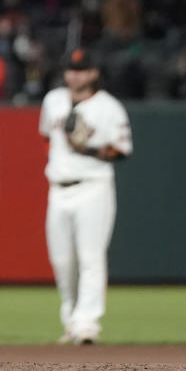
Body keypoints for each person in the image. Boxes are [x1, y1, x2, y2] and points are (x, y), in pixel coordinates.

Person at [38, 49, 133, 345]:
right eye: (70, 69)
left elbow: (121, 150)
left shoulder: (109, 107)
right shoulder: (53, 100)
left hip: (93, 185)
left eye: (81, 69)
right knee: (62, 261)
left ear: (93, 73)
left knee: (90, 257)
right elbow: (46, 137)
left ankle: (87, 323)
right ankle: (71, 319)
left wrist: (86, 149)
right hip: (58, 188)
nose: (74, 74)